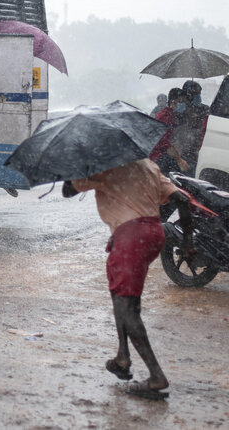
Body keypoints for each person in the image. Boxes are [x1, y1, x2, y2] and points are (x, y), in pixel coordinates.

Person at [62, 158, 196, 400]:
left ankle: (156, 376)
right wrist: (187, 242)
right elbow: (182, 200)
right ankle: (122, 356)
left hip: (130, 236)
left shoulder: (104, 165)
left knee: (127, 306)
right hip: (153, 233)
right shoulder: (149, 165)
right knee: (121, 296)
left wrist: (71, 168)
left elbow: (68, 190)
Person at [171, 80, 209, 175]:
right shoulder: (178, 109)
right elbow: (174, 130)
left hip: (196, 150)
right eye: (196, 94)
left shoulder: (204, 109)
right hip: (180, 151)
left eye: (199, 94)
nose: (198, 97)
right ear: (188, 94)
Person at [149, 88, 188, 174]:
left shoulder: (170, 114)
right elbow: (164, 142)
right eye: (181, 101)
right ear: (173, 102)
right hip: (158, 157)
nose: (183, 105)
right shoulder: (165, 116)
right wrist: (179, 159)